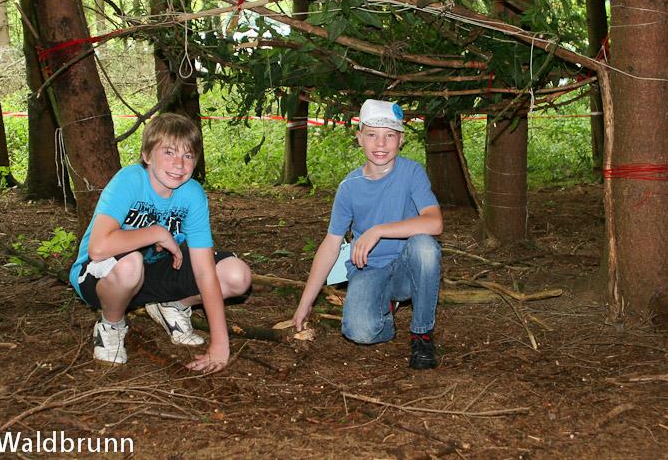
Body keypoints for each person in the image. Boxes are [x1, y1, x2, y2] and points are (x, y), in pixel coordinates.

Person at [69, 113, 251, 372]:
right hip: (103, 277)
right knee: (130, 264)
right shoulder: (130, 180)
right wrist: (156, 233)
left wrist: (220, 345)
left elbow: (204, 270)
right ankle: (111, 324)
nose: (179, 164)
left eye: (188, 155)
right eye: (168, 152)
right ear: (146, 155)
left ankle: (172, 305)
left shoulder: (192, 194)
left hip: (156, 272)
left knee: (237, 275)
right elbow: (98, 248)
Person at [292, 99, 443, 370]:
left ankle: (421, 335)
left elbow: (434, 222)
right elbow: (331, 244)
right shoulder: (349, 187)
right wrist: (306, 302)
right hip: (368, 268)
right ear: (359, 137)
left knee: (425, 246)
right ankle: (385, 310)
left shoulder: (411, 172)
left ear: (401, 140)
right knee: (360, 331)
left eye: (390, 136)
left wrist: (378, 230)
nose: (380, 144)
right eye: (372, 134)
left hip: (407, 269)